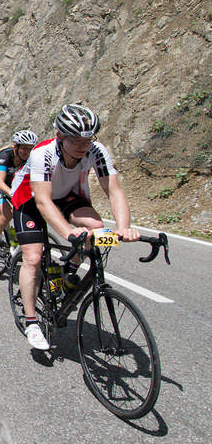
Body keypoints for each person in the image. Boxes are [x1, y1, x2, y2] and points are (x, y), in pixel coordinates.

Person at [9, 104, 139, 351]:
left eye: (88, 139)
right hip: (31, 199)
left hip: (67, 196)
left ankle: (68, 270)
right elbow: (43, 201)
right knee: (34, 258)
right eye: (77, 140)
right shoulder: (42, 153)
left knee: (96, 227)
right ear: (60, 136)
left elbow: (114, 190)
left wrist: (124, 227)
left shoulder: (96, 151)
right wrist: (68, 232)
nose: (84, 145)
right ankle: (31, 321)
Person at [0, 129, 38, 260]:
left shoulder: (29, 159)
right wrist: (15, 195)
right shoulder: (6, 155)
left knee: (23, 211)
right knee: (8, 213)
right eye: (24, 148)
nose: (27, 152)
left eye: (30, 149)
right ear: (16, 147)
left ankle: (13, 241)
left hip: (10, 185)